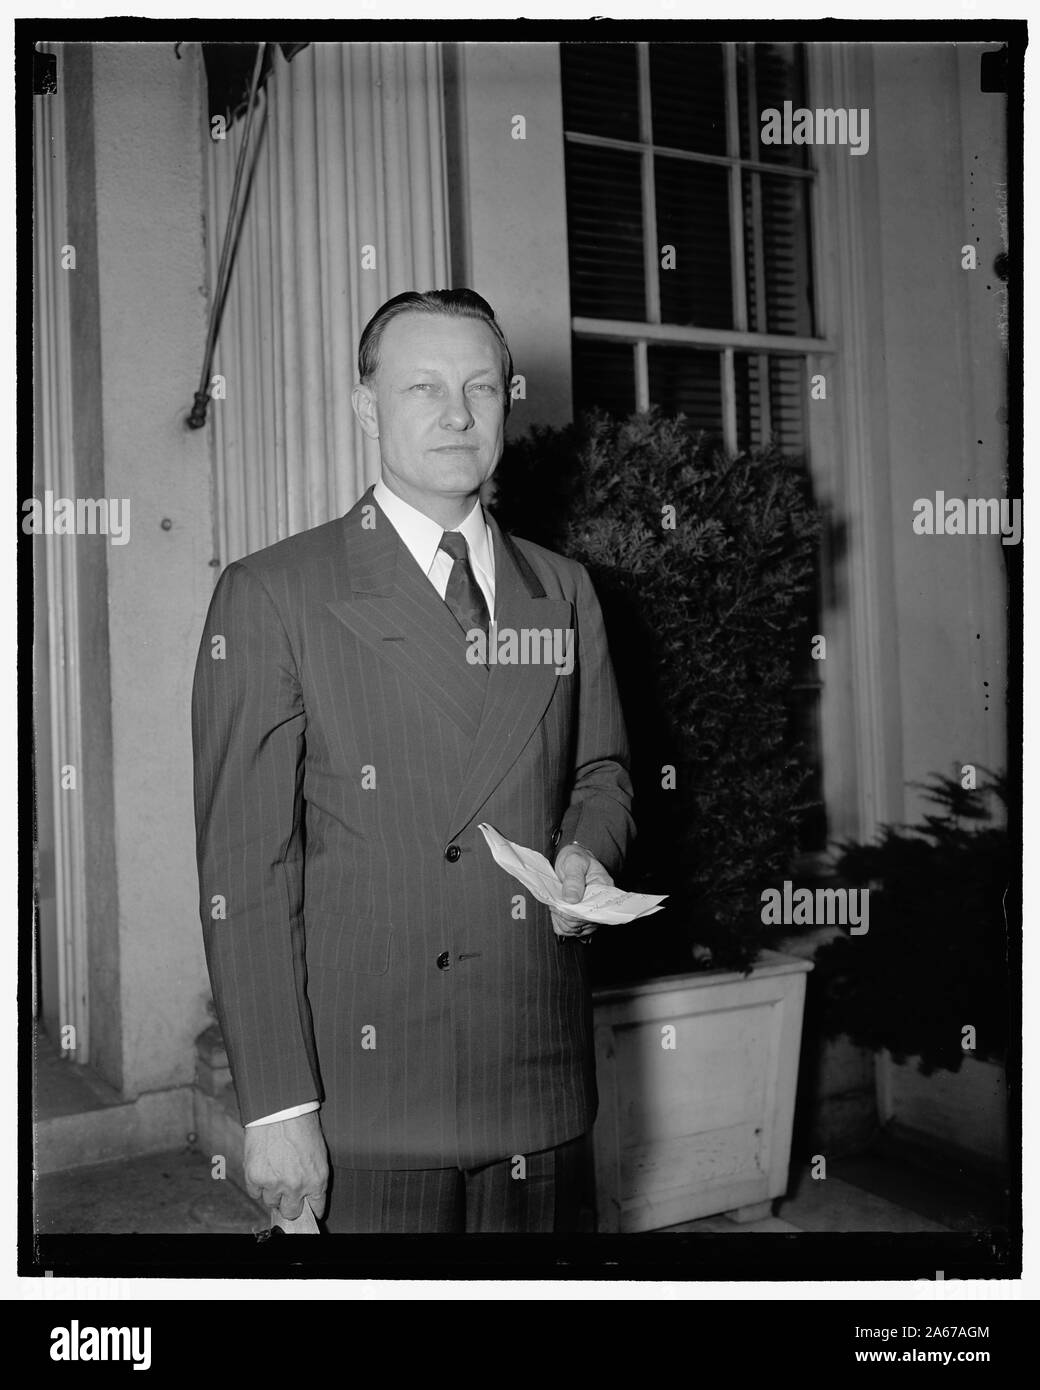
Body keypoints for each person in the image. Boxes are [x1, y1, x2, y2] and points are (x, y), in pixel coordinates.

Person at [191, 288, 634, 1233]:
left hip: (536, 1079)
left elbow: (602, 773)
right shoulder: (275, 594)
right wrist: (276, 1109)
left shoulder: (561, 591)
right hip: (366, 1097)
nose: (456, 413)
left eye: (481, 385)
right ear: (367, 410)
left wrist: (588, 853)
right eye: (422, 386)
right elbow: (246, 871)